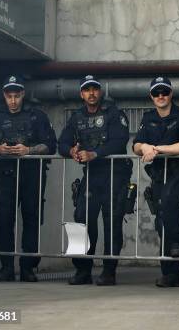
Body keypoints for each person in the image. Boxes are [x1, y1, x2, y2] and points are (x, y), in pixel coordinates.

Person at [0, 75, 56, 282]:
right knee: (3, 221)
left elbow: (51, 145)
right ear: (4, 95)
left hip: (32, 174)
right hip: (6, 176)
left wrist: (28, 150)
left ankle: (28, 268)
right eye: (9, 96)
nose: (13, 100)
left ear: (22, 94)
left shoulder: (37, 116)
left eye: (16, 95)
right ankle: (6, 267)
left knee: (31, 220)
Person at [58, 75, 132, 286]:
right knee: (81, 219)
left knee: (112, 222)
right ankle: (83, 270)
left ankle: (109, 271)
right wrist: (70, 150)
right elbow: (61, 143)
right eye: (86, 89)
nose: (91, 93)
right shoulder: (77, 117)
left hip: (114, 175)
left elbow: (119, 142)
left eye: (94, 89)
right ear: (82, 94)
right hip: (91, 176)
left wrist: (94, 154)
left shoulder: (113, 113)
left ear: (100, 92)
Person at [132, 77, 179, 288]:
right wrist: (143, 148)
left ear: (171, 94)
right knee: (162, 218)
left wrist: (157, 149)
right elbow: (136, 145)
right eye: (156, 93)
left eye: (164, 92)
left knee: (169, 203)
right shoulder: (148, 117)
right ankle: (172, 274)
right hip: (159, 173)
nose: (161, 96)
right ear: (151, 96)